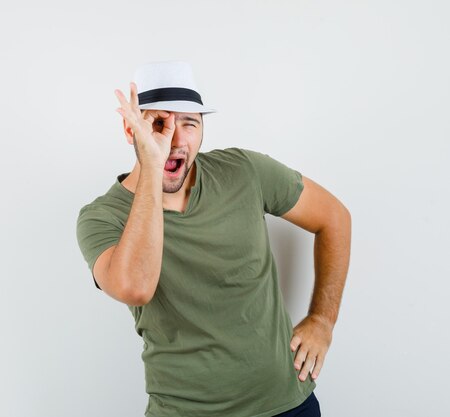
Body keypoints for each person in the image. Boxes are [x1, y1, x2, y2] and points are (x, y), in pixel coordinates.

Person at [76, 61, 351, 417]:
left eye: (189, 123)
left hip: (288, 404)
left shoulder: (244, 172)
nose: (175, 139)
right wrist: (152, 167)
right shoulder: (102, 216)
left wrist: (322, 320)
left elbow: (334, 218)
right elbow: (135, 288)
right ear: (131, 130)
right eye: (158, 124)